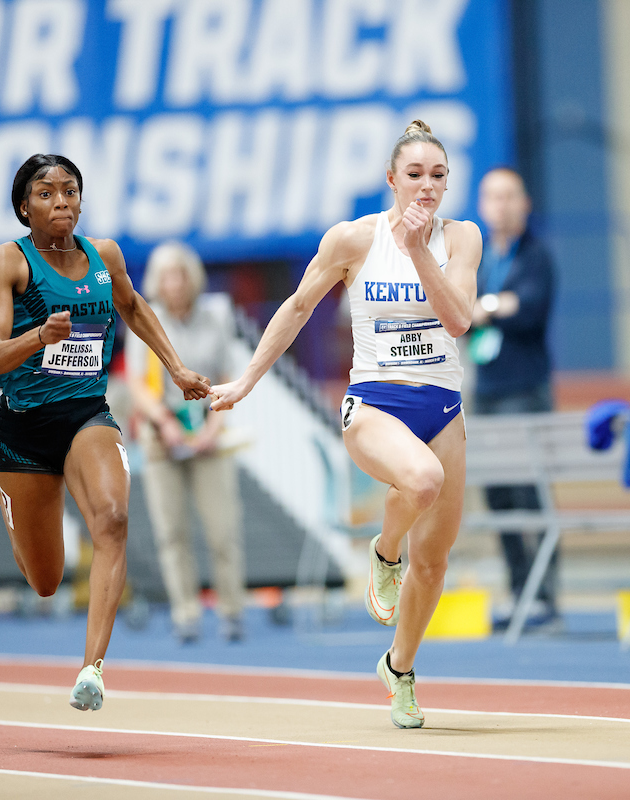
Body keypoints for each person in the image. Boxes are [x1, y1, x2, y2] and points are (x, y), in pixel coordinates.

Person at [210, 120, 481, 729]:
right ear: (391, 180)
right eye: (414, 175)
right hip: (375, 402)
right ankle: (384, 553)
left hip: (442, 402)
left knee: (434, 563)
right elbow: (297, 306)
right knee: (422, 480)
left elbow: (459, 319)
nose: (427, 187)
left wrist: (419, 252)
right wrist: (247, 381)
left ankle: (400, 669)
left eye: (438, 176)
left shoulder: (462, 238)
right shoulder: (353, 239)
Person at [0, 154, 210, 712]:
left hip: (86, 414)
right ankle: (5, 490)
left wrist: (175, 367)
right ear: (24, 206)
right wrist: (39, 335)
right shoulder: (7, 262)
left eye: (70, 191)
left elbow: (133, 306)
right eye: (46, 193)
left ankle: (92, 669)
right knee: (45, 580)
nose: (61, 201)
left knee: (113, 518)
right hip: (24, 429)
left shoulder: (104, 255)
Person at [127, 241, 246, 644]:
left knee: (222, 528)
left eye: (180, 274)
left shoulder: (216, 318)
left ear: (192, 278)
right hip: (163, 436)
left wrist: (213, 427)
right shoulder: (146, 319)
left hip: (209, 434)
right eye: (166, 276)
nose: (174, 283)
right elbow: (137, 386)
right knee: (171, 532)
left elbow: (230, 374)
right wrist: (165, 423)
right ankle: (186, 613)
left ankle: (231, 611)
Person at [469, 167, 559, 628]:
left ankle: (547, 597)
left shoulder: (537, 256)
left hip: (525, 392)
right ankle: (520, 591)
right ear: (481, 206)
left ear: (524, 203)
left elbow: (526, 310)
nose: (501, 205)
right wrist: (491, 307)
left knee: (531, 493)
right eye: (492, 197)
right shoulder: (479, 260)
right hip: (485, 391)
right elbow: (459, 310)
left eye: (510, 196)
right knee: (498, 497)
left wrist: (484, 307)